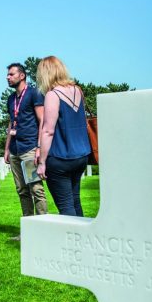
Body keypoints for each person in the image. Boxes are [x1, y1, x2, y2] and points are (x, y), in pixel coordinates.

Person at [35, 56, 92, 216]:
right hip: (81, 155)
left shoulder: (53, 95)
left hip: (60, 158)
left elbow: (48, 130)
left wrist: (42, 162)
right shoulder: (77, 90)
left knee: (66, 206)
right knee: (75, 201)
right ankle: (81, 239)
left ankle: (71, 240)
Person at [4, 62, 48, 230]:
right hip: (15, 150)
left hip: (29, 148)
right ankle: (28, 232)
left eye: (11, 74)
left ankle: (43, 229)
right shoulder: (11, 99)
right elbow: (11, 124)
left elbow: (42, 120)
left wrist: (38, 147)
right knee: (22, 190)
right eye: (8, 75)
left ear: (22, 76)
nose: (8, 77)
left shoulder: (34, 94)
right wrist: (7, 148)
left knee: (36, 189)